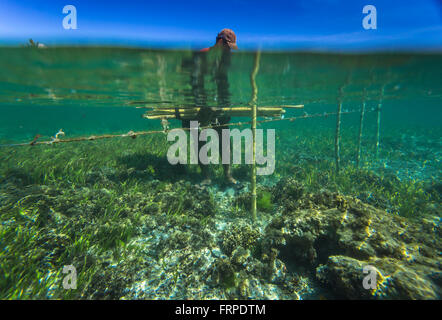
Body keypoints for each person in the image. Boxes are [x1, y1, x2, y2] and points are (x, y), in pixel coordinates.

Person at [181, 29, 238, 186]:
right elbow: (193, 81)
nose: (228, 50)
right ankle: (206, 177)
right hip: (199, 103)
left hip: (219, 103)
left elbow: (224, 84)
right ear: (220, 41)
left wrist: (221, 104)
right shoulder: (201, 55)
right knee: (200, 140)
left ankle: (228, 175)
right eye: (228, 46)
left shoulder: (227, 60)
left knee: (224, 139)